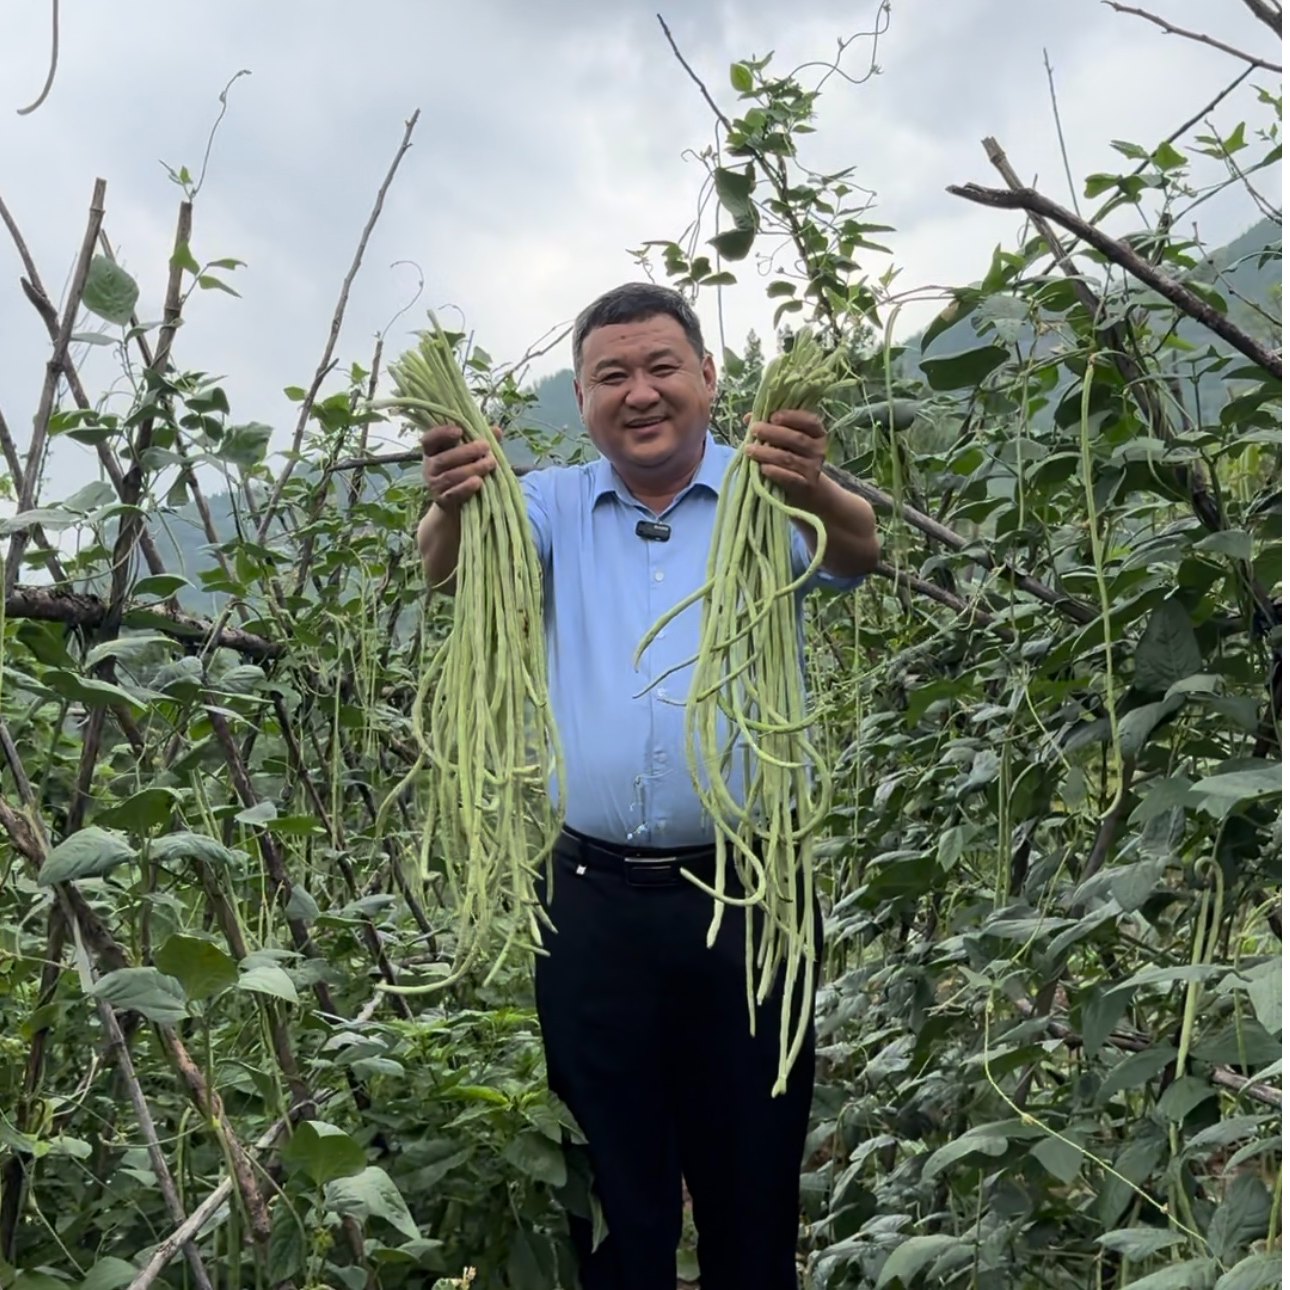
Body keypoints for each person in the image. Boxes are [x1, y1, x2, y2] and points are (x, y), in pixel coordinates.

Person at [416, 283, 881, 1289]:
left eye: (661, 367)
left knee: (751, 1183)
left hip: (752, 894)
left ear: (709, 378)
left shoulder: (769, 495)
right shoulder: (542, 505)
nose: (640, 392)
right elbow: (447, 570)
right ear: (580, 400)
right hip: (591, 903)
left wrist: (823, 489)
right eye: (611, 375)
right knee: (609, 1199)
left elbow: (854, 553)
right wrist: (450, 503)